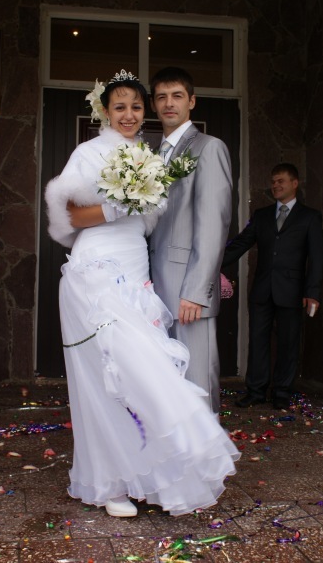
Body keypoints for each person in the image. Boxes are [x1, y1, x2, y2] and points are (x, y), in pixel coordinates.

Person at [45, 69, 239, 518]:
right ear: (105, 111)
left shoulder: (147, 156)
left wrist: (201, 279)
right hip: (98, 271)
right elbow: (68, 216)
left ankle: (151, 474)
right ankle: (110, 481)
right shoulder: (89, 152)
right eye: (120, 107)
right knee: (110, 376)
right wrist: (117, 205)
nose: (129, 114)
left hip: (138, 273)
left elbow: (201, 220)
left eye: (135, 106)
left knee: (141, 375)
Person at [149, 67, 233, 415]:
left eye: (177, 96)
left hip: (187, 287)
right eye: (162, 97)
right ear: (154, 105)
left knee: (196, 375)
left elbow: (214, 221)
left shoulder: (209, 148)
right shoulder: (152, 155)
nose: (169, 103)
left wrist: (197, 290)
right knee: (165, 376)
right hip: (152, 285)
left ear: (192, 101)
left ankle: (206, 447)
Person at [222, 163, 323, 410]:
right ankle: (256, 391)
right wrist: (211, 263)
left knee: (288, 343)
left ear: (294, 183)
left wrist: (312, 292)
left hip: (292, 291)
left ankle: (281, 392)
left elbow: (317, 257)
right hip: (262, 290)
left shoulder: (310, 217)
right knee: (257, 341)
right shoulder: (262, 215)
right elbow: (241, 244)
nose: (275, 185)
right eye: (273, 181)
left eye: (281, 181)